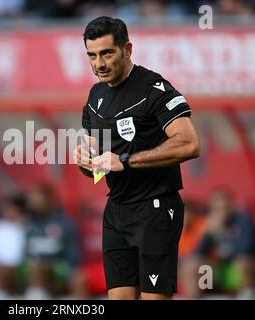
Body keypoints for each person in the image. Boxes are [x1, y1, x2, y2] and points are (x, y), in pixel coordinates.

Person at [73, 16, 200, 300]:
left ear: (127, 49)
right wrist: (86, 163)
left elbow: (190, 143)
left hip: (155, 208)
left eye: (107, 53)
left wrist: (126, 160)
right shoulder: (95, 96)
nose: (99, 64)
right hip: (116, 211)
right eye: (92, 56)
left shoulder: (152, 88)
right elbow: (98, 168)